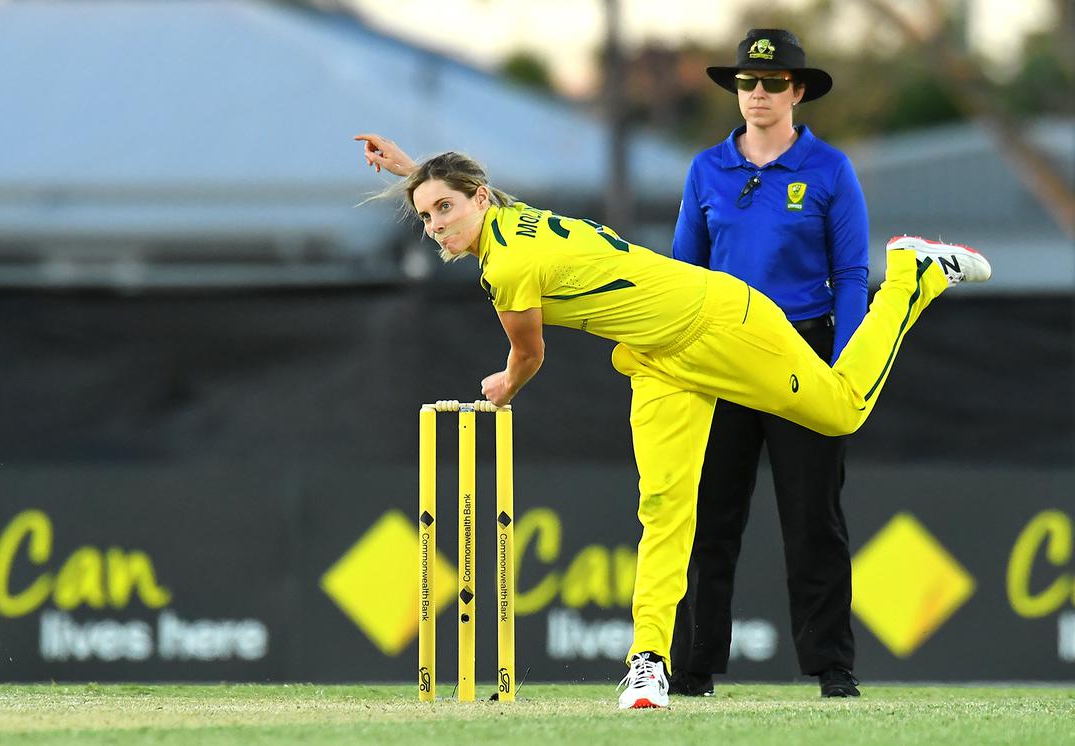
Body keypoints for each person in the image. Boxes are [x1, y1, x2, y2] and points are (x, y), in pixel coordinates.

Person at [354, 133, 990, 709]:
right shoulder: (507, 220)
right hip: (659, 361)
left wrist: (503, 389)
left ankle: (911, 275)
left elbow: (528, 353)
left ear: (480, 199)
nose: (436, 227)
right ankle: (648, 664)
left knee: (842, 409)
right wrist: (417, 175)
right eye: (426, 216)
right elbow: (464, 197)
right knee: (664, 507)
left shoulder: (509, 265)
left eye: (444, 210)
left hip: (721, 323)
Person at [670, 28, 867, 699]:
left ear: (798, 90)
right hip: (721, 358)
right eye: (748, 83)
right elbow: (683, 277)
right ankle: (692, 667)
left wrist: (845, 368)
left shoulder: (830, 170)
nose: (758, 94)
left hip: (803, 354)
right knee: (709, 516)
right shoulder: (706, 170)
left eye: (773, 82)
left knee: (814, 517)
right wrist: (678, 362)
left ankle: (832, 667)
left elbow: (850, 274)